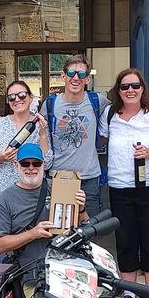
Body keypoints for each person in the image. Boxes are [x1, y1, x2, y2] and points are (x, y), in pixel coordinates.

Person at [103, 68, 149, 298]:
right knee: (126, 242)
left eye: (135, 85)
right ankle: (130, 294)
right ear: (118, 90)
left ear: (143, 88)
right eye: (125, 87)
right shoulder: (110, 113)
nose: (130, 90)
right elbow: (100, 140)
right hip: (120, 187)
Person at [0, 143, 87, 270]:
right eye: (25, 163)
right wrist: (32, 234)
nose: (31, 168)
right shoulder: (5, 198)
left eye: (36, 163)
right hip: (28, 272)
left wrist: (81, 208)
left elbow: (86, 227)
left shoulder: (60, 187)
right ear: (16, 165)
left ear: (43, 165)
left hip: (65, 267)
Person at [0, 81, 50, 263]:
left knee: (30, 249)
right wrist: (1, 157)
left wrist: (43, 135)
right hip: (1, 195)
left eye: (21, 95)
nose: (17, 99)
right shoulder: (0, 125)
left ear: (30, 98)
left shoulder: (40, 124)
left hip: (31, 198)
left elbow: (48, 162)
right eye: (12, 97)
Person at [43, 54, 107, 216]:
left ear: (88, 79)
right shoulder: (50, 104)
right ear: (63, 76)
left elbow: (125, 106)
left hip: (89, 178)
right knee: (59, 230)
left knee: (89, 228)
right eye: (71, 73)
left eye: (82, 74)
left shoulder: (97, 100)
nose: (76, 78)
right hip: (58, 177)